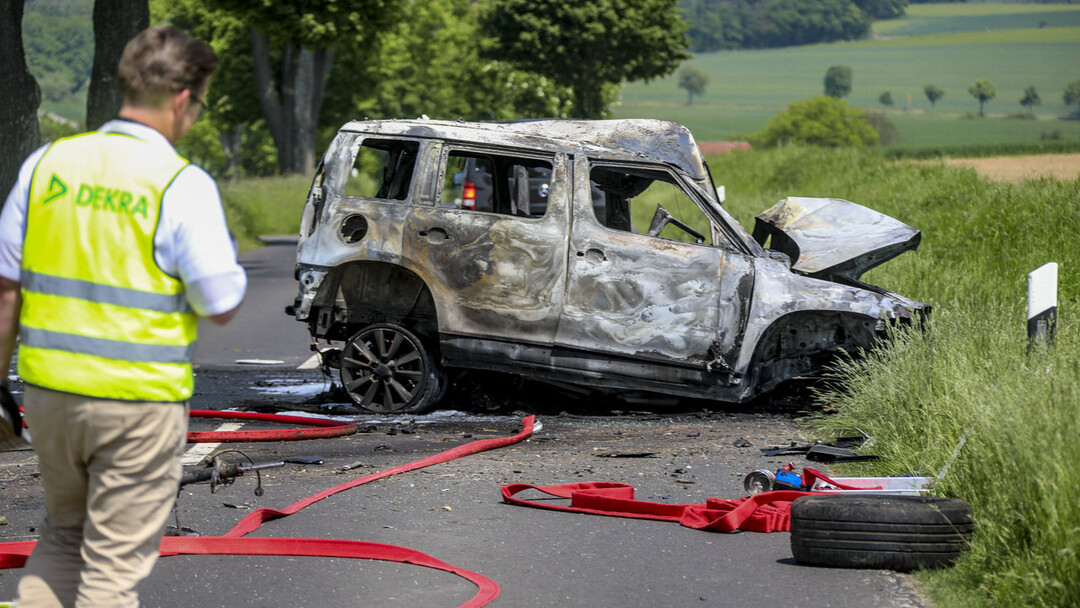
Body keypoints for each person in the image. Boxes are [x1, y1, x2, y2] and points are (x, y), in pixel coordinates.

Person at [0, 25, 246, 607]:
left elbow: (5, 286)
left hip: (50, 397)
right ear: (184, 99)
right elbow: (221, 302)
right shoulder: (179, 185)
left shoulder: (46, 165)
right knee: (111, 570)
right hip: (136, 405)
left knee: (63, 539)